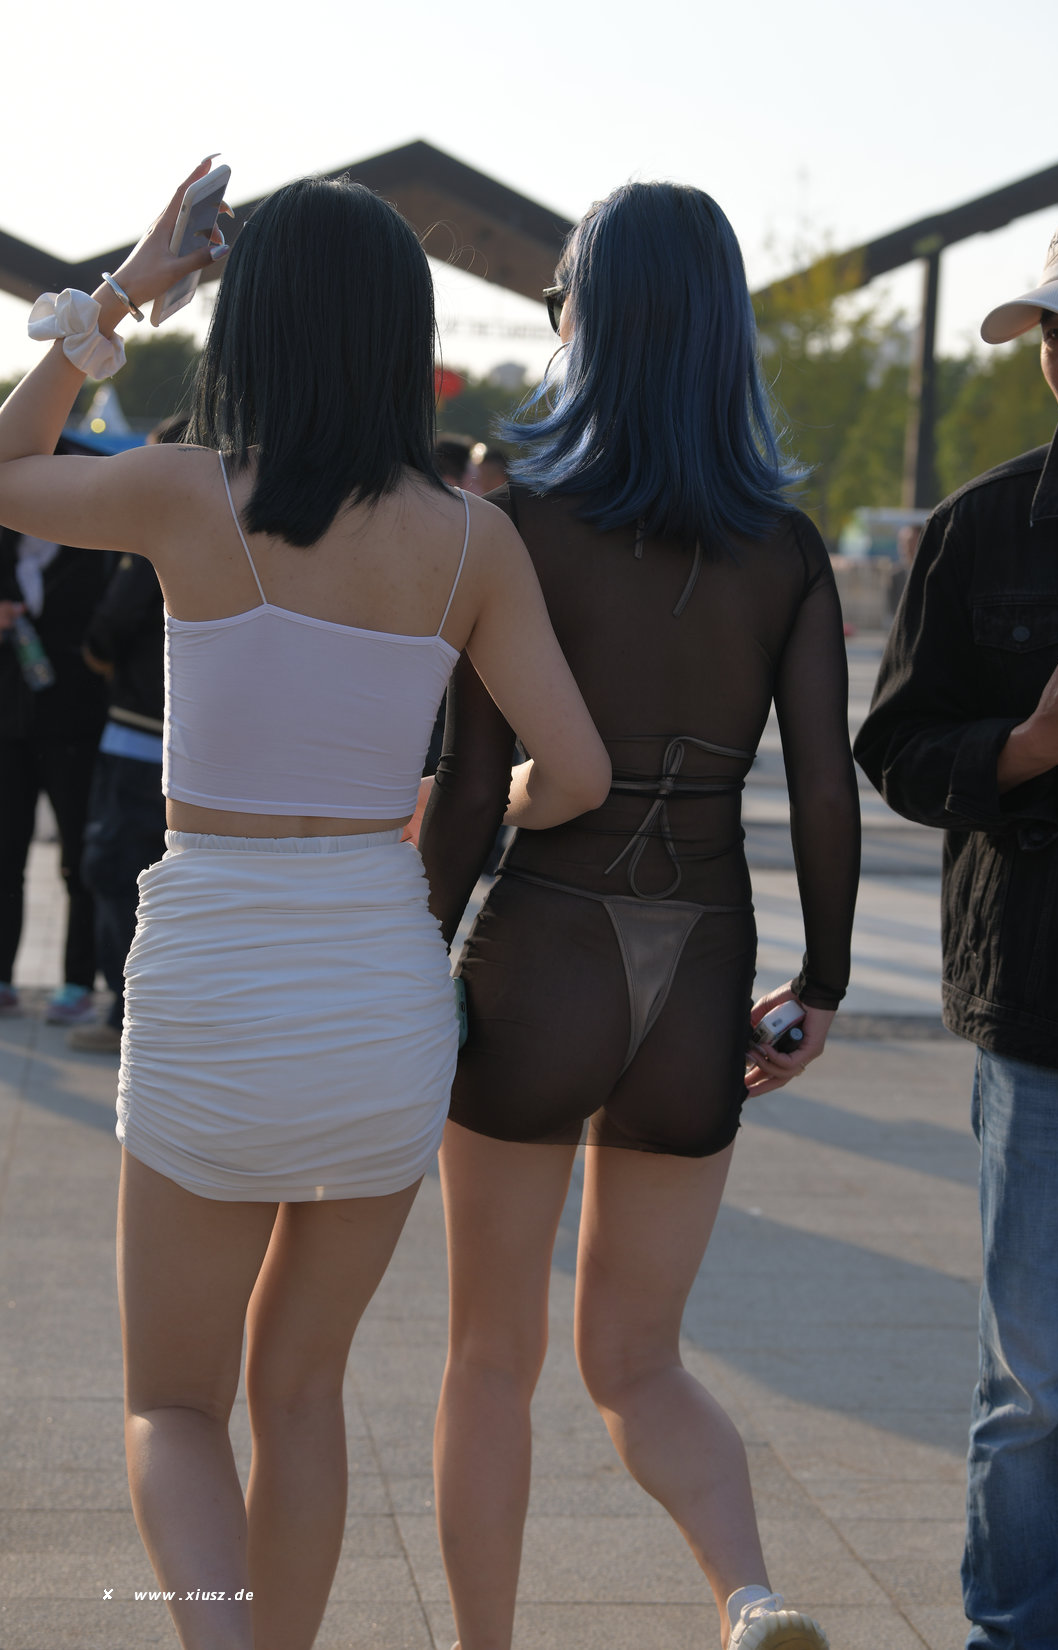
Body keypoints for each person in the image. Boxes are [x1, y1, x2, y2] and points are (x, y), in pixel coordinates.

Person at [0, 161, 609, 1650]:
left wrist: (123, 293)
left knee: (172, 1406)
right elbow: (579, 771)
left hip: (213, 976)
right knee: (304, 1391)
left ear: (252, 322)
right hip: (378, 989)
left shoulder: (186, 490)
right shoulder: (471, 539)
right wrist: (467, 806)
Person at [418, 181, 860, 1650]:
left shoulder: (516, 528)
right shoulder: (787, 551)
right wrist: (821, 986)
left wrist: (411, 955)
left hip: (543, 945)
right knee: (639, 1359)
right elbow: (823, 792)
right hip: (703, 961)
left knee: (490, 1359)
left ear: (586, 326)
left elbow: (471, 788)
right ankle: (752, 1596)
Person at [854, 204, 1058, 1650]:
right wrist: (1034, 742)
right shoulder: (978, 530)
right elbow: (893, 748)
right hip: (1046, 1026)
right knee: (1038, 1388)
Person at [74, 416, 187, 1055]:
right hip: (200, 748)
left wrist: (103, 662)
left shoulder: (155, 537)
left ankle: (127, 1019)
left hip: (139, 736)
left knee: (119, 873)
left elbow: (106, 632)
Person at [0, 438, 112, 1023]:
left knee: (79, 861)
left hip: (77, 723)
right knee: (4, 855)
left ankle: (76, 982)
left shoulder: (101, 551)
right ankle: (2, 978)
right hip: (7, 722)